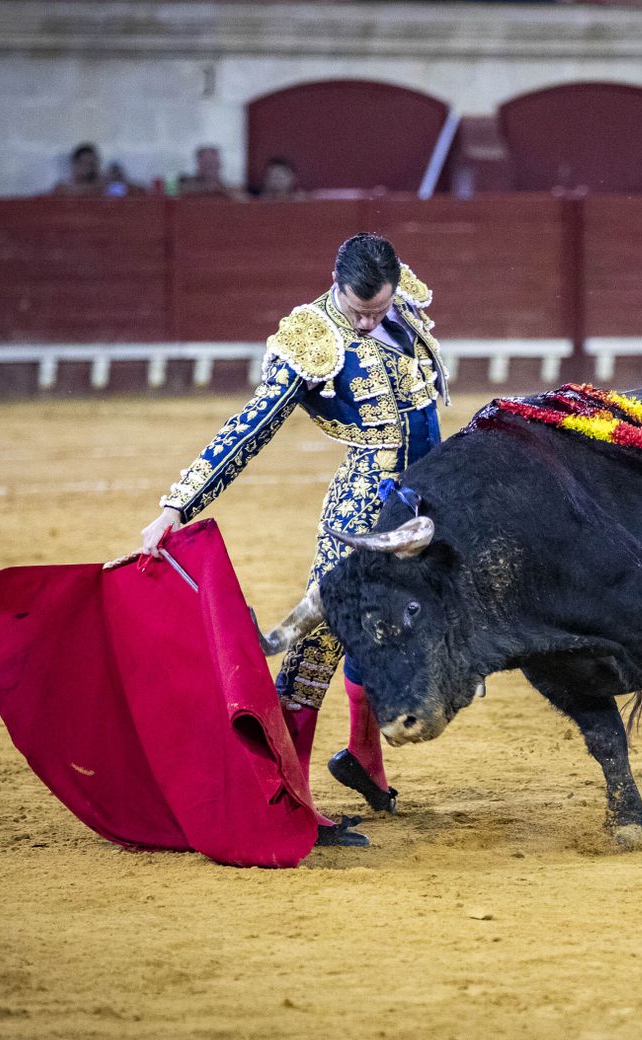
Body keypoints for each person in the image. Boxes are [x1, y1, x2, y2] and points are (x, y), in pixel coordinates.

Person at [138, 233, 447, 846]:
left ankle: (364, 759)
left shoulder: (401, 302)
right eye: (359, 310)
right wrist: (177, 505)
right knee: (320, 641)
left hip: (425, 501)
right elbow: (248, 429)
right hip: (363, 508)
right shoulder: (313, 339)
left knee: (404, 627)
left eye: (379, 310)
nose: (369, 321)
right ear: (336, 286)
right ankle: (290, 797)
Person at [178, 144, 243, 199]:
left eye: (214, 163)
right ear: (198, 165)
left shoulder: (231, 190)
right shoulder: (183, 185)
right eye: (207, 163)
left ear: (219, 165)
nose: (210, 167)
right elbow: (170, 191)